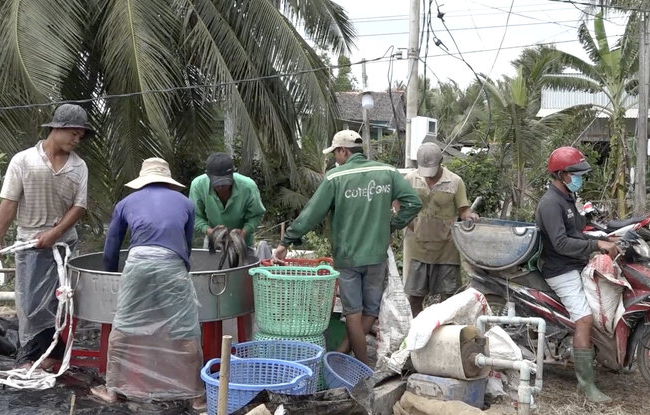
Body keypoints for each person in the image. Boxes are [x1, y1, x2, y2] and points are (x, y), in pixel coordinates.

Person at [272, 130, 422, 364]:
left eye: (336, 153)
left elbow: (312, 214)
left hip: (348, 257)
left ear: (344, 151)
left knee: (353, 313)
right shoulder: (388, 172)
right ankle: (340, 357)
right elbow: (414, 202)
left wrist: (286, 242)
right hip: (376, 255)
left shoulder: (336, 177)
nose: (335, 158)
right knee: (370, 311)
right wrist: (391, 225)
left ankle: (361, 367)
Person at [91, 158, 204, 409]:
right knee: (186, 330)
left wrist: (113, 274)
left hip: (138, 263)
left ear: (142, 181)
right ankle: (196, 396)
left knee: (123, 326)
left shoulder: (125, 203)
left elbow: (111, 248)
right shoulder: (186, 203)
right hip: (172, 263)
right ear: (169, 180)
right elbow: (186, 248)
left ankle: (112, 390)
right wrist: (177, 277)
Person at [0, 104, 92, 370]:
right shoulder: (23, 160)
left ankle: (50, 355)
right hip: (29, 243)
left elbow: (79, 206)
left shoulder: (78, 166)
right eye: (73, 133)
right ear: (56, 129)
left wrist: (54, 233)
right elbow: (9, 204)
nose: (77, 139)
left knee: (58, 301)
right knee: (29, 304)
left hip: (63, 244)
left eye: (80, 136)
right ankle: (32, 356)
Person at [535, 146, 618, 404]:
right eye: (575, 174)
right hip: (560, 269)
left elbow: (578, 232)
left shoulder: (568, 198)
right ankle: (586, 385)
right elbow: (560, 243)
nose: (579, 178)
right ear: (561, 175)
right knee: (584, 319)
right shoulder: (550, 203)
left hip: (575, 264)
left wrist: (604, 238)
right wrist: (596, 245)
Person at [403, 143, 478, 317]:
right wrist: (409, 223)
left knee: (449, 298)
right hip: (417, 249)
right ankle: (418, 329)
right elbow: (398, 204)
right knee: (414, 297)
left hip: (446, 250)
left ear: (441, 161)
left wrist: (470, 217)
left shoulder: (455, 182)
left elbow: (463, 210)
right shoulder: (410, 180)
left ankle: (444, 330)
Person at [189, 152, 266, 251]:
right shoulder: (198, 186)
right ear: (208, 175)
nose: (221, 187)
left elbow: (256, 215)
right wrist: (209, 231)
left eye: (225, 183)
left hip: (243, 242)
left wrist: (243, 233)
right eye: (217, 183)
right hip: (213, 242)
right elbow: (195, 216)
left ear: (232, 174)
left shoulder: (248, 187)